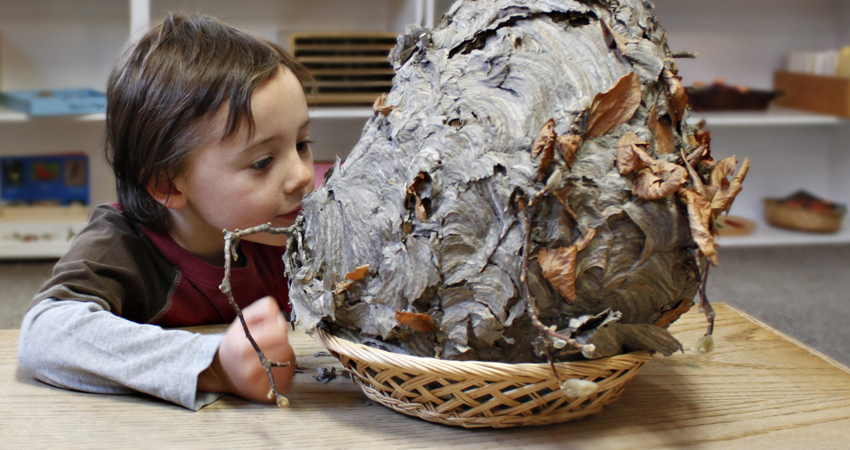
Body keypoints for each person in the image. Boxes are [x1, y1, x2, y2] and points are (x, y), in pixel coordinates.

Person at [17, 13, 316, 410]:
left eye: (302, 144)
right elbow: (45, 334)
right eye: (262, 162)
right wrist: (213, 365)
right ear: (166, 185)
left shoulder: (285, 231)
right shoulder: (119, 243)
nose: (302, 176)